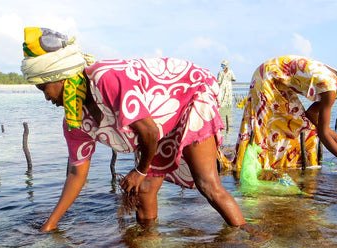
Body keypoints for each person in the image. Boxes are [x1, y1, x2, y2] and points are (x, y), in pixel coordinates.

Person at [20, 27, 250, 232]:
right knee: (145, 191)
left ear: (60, 77)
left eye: (44, 88)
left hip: (189, 94)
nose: (46, 97)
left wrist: (139, 171)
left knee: (207, 183)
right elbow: (76, 173)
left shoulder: (105, 78)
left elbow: (149, 131)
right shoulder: (76, 122)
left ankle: (250, 236)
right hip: (157, 121)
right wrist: (51, 224)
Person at [228, 55, 337, 181]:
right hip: (267, 77)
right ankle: (259, 168)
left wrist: (334, 136)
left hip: (278, 81)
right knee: (270, 129)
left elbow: (311, 114)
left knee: (305, 128)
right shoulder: (330, 89)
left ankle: (288, 170)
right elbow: (323, 134)